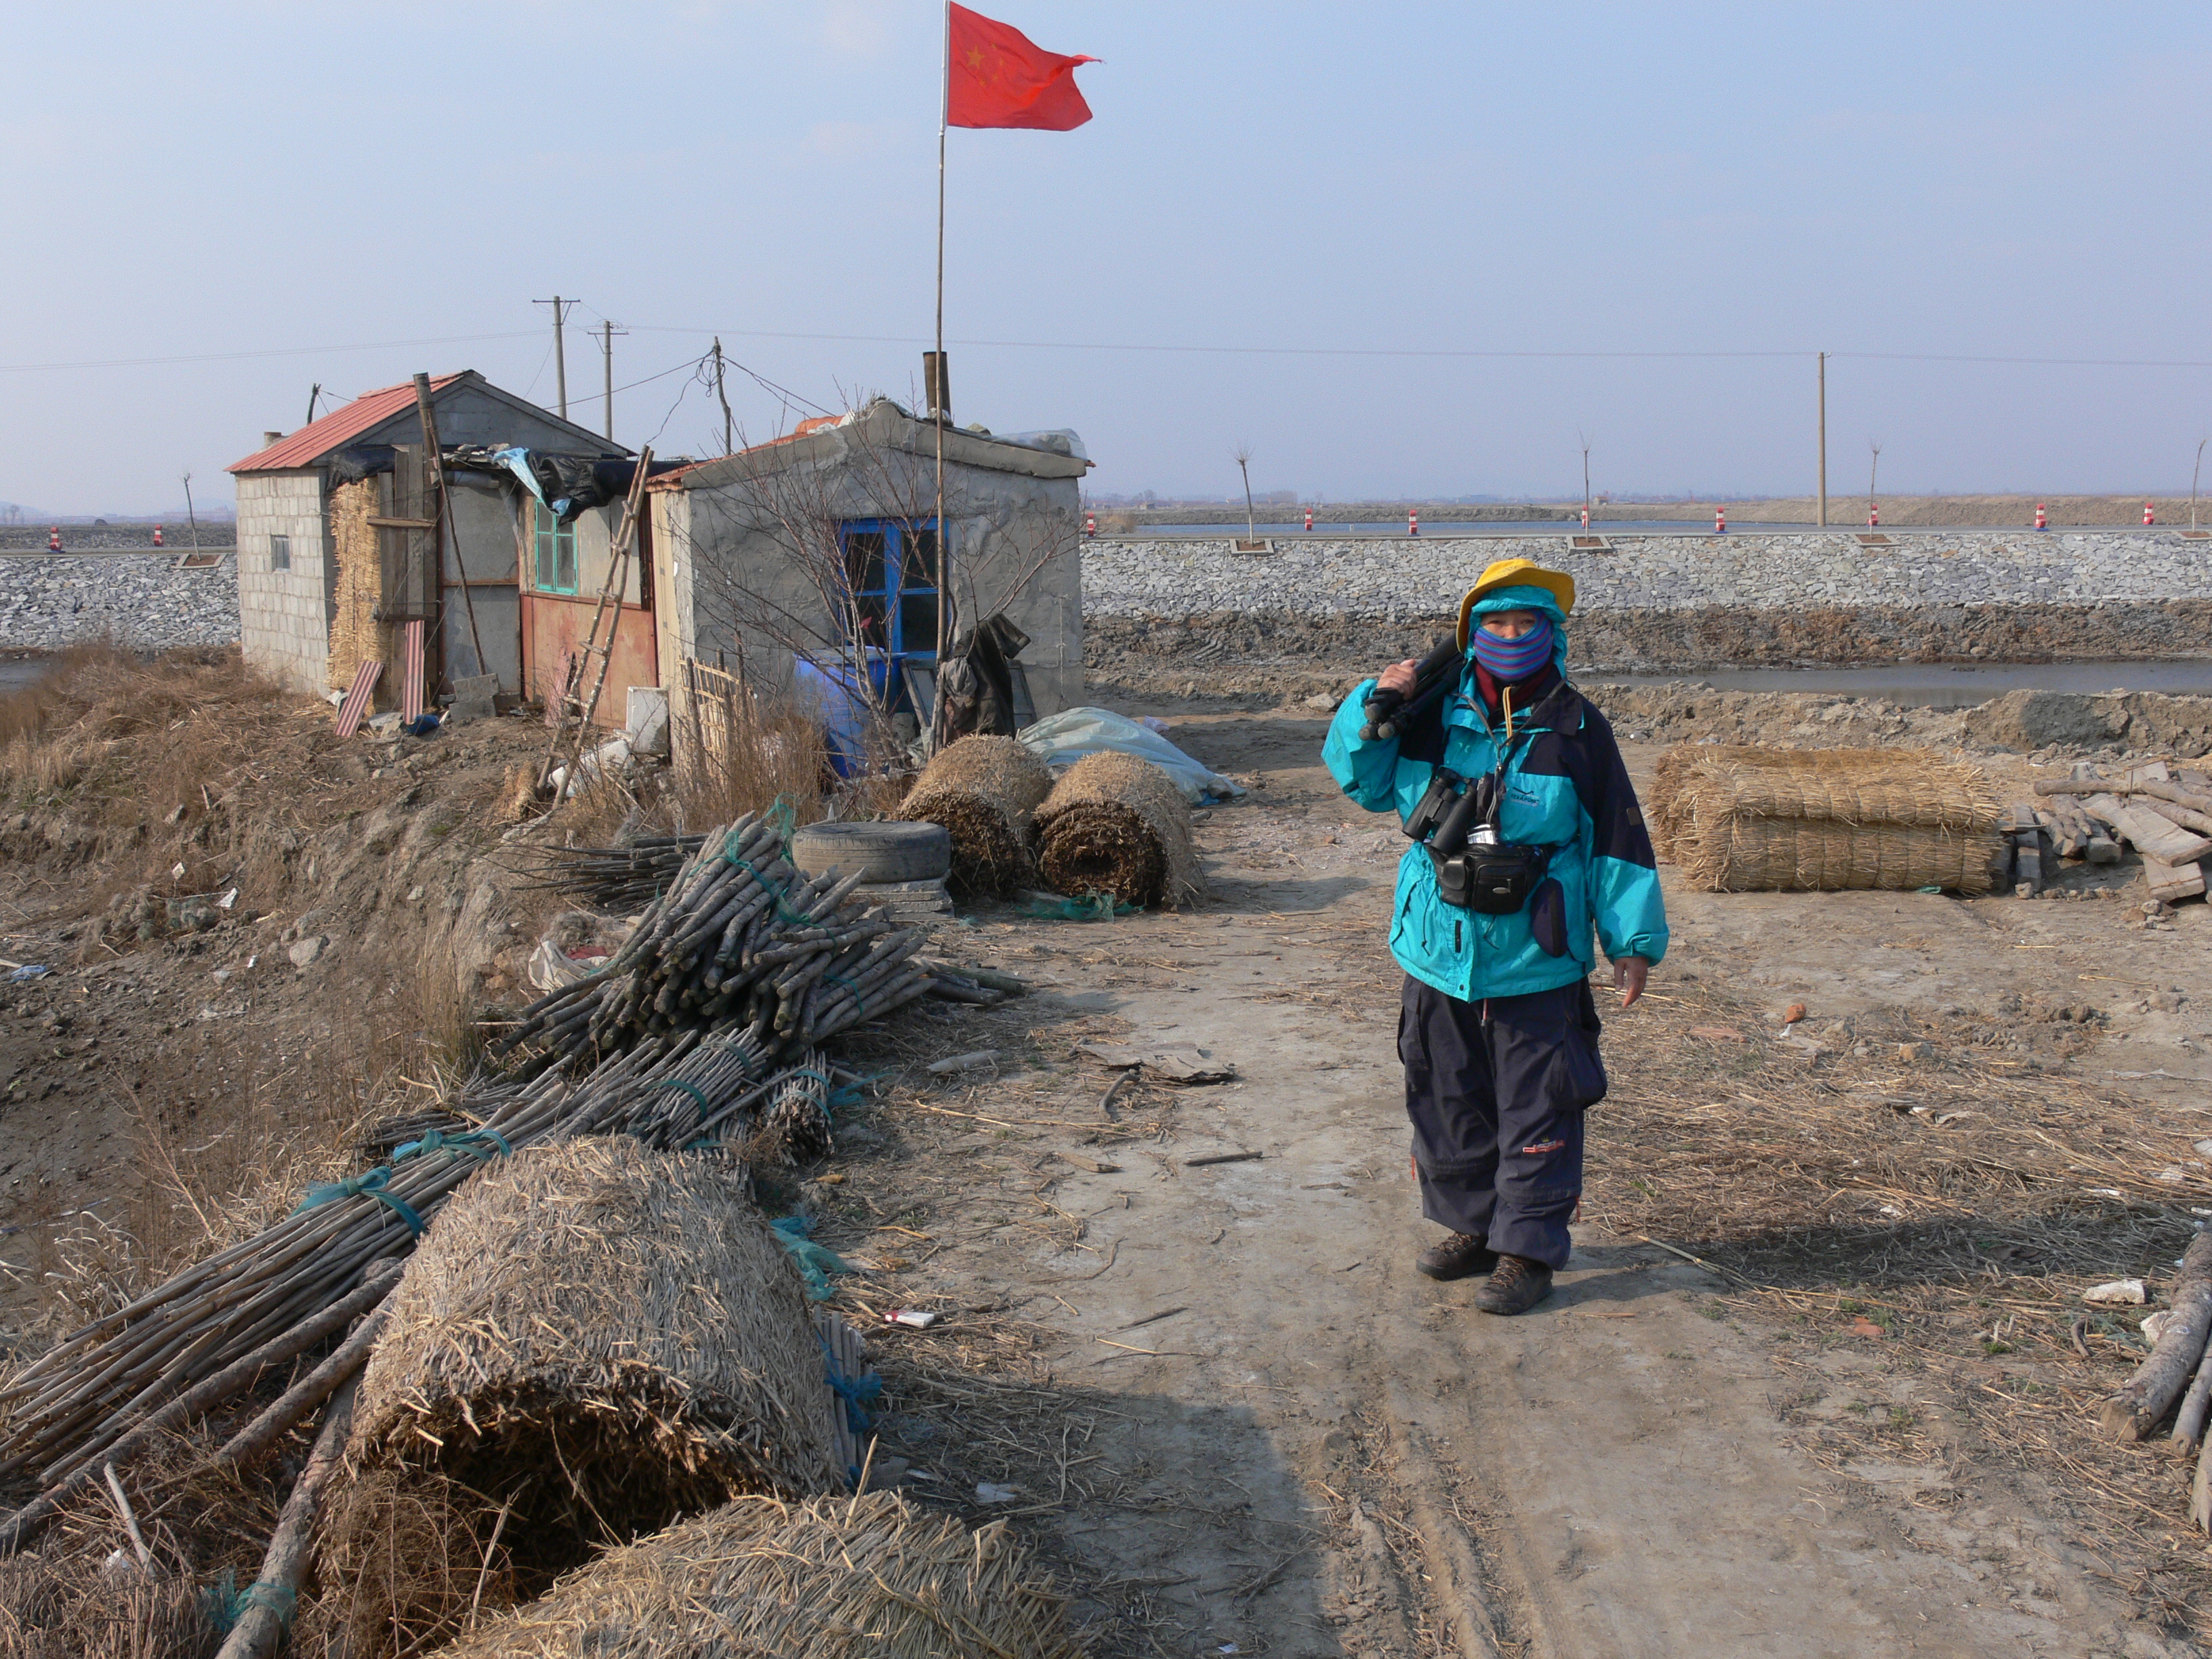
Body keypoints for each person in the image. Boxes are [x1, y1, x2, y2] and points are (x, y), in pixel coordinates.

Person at [1322, 558, 1668, 1315]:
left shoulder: (1578, 727)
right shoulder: (1426, 714)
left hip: (1537, 957)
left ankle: (1528, 1251)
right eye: (1497, 624)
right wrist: (1371, 701)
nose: (1512, 637)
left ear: (1553, 634)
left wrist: (1632, 942)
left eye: (1526, 624)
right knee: (1447, 1093)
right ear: (1471, 634)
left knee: (1540, 1102)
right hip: (1438, 952)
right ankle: (1474, 1229)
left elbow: (1617, 838)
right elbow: (1361, 780)